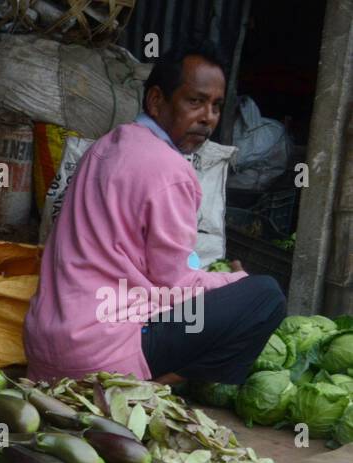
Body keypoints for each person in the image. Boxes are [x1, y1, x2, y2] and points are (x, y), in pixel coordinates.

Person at [24, 41, 287, 386]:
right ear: (157, 100)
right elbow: (176, 284)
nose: (207, 117)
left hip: (45, 346)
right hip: (98, 353)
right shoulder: (170, 170)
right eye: (195, 101)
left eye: (216, 106)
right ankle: (157, 386)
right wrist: (235, 281)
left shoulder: (104, 146)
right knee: (265, 296)